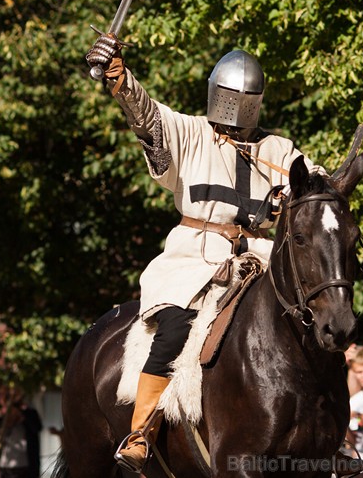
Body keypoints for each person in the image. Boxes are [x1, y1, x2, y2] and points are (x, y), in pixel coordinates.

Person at [85, 34, 325, 472]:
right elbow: (148, 115)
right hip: (195, 258)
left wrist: (319, 187)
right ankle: (142, 428)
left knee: (311, 327)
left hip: (259, 259)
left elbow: (312, 182)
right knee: (175, 326)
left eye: (244, 100)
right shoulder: (191, 131)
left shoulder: (278, 149)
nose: (236, 108)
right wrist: (120, 78)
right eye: (230, 98)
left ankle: (330, 433)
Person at [0, 387, 42, 478]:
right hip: (6, 470)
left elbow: (37, 428)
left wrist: (21, 415)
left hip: (26, 470)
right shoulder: (1, 420)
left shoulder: (29, 414)